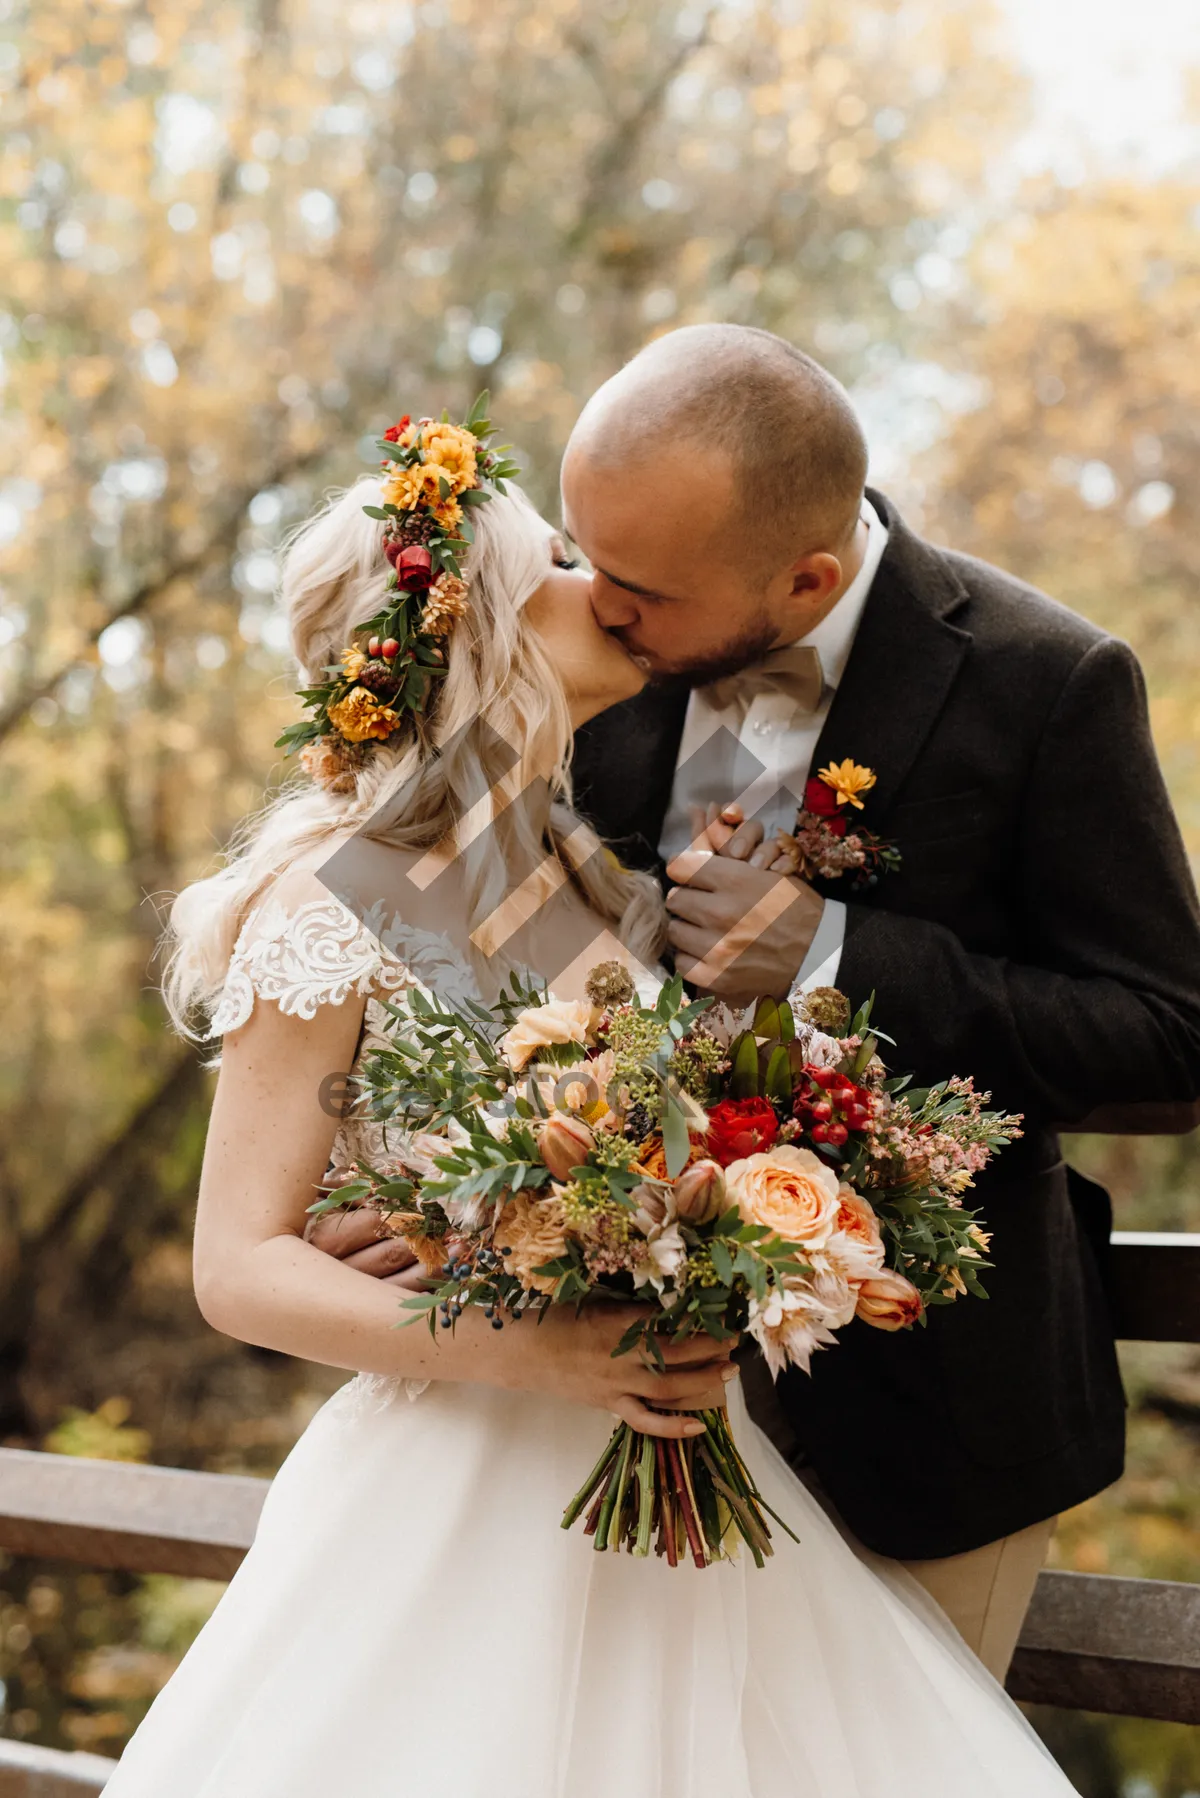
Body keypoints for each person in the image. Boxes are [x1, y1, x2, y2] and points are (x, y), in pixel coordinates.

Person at [103, 448, 1083, 1796]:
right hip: (469, 1500)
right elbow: (239, 1264)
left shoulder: (582, 869)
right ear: (491, 640)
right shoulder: (330, 901)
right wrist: (548, 1349)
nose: (604, 589)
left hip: (689, 1473)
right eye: (559, 566)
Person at [319, 324, 1200, 1684]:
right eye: (579, 552)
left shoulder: (1049, 681)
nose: (592, 604)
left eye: (637, 586)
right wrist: (452, 1204)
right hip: (600, 1403)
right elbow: (477, 961)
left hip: (930, 1418)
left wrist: (838, 951)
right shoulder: (594, 657)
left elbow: (1168, 1027)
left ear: (809, 577)